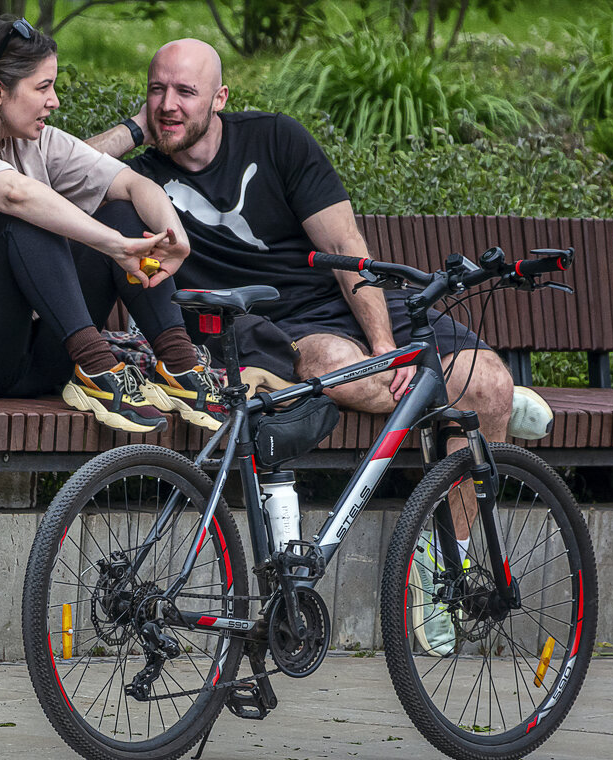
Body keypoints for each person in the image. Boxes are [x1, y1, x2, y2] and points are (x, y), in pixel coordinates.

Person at [88, 38, 552, 654]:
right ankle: (466, 402)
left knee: (487, 381)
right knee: (344, 367)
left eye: (185, 92)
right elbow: (55, 175)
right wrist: (134, 129)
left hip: (344, 302)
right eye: (157, 90)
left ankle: (446, 565)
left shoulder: (276, 139)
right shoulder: (139, 172)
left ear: (220, 98)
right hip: (263, 324)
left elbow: (345, 248)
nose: (168, 104)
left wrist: (384, 342)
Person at [0, 19, 225, 434]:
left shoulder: (35, 142)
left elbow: (134, 184)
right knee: (23, 220)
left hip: (31, 356)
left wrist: (175, 236)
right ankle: (99, 368)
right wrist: (114, 245)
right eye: (43, 87)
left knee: (121, 209)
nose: (55, 101)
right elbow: (15, 196)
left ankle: (180, 366)